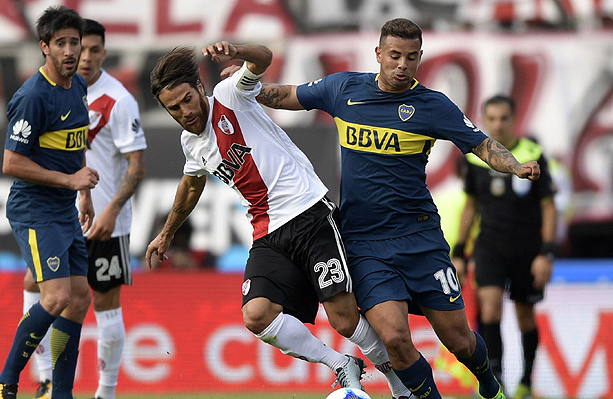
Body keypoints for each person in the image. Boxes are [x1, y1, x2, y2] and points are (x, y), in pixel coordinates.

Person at [253, 18, 543, 399]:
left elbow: (482, 144)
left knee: (459, 341)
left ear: (420, 57)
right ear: (378, 54)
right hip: (364, 242)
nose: (402, 64)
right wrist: (242, 86)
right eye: (394, 56)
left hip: (420, 238)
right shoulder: (344, 89)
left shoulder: (434, 106)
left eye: (410, 57)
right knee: (394, 338)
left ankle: (490, 383)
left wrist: (516, 166)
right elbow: (284, 95)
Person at [146, 43, 412, 398]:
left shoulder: (230, 96)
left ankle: (400, 388)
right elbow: (192, 184)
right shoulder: (191, 143)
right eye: (173, 108)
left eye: (186, 99)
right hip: (267, 234)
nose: (184, 111)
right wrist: (166, 234)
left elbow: (264, 59)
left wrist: (237, 50)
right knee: (256, 315)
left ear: (199, 85)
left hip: (309, 215)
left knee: (344, 320)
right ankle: (340, 364)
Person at [22, 18, 147, 399]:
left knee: (104, 303)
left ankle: (105, 393)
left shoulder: (119, 100)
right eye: (79, 47)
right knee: (34, 286)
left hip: (107, 223)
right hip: (61, 215)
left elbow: (137, 166)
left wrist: (111, 209)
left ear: (104, 53)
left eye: (93, 49)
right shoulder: (55, 90)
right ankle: (46, 382)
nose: (84, 56)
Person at [0, 6, 98, 399]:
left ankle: (60, 393)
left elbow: (76, 142)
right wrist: (70, 180)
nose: (71, 51)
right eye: (61, 43)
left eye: (75, 42)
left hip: (65, 208)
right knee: (56, 297)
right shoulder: (33, 96)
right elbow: (11, 162)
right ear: (44, 48)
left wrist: (82, 192)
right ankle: (5, 382)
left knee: (80, 298)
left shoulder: (79, 87)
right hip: (34, 208)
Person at [451, 95, 557, 399]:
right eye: (492, 119)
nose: (498, 124)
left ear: (514, 119)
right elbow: (469, 206)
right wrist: (459, 251)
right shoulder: (475, 157)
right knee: (490, 307)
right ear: (484, 121)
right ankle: (494, 380)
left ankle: (526, 380)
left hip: (527, 249)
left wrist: (547, 253)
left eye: (503, 118)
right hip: (489, 247)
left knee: (525, 315)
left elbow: (549, 207)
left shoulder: (533, 154)